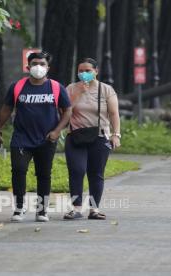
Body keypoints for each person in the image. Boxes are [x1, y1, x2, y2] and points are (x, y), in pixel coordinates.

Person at [0, 51, 72, 222]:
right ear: (28, 67)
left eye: (42, 64)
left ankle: (42, 210)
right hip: (21, 138)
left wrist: (57, 131)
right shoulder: (18, 87)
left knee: (44, 174)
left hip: (47, 139)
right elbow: (6, 110)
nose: (38, 67)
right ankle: (19, 208)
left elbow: (68, 111)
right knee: (19, 170)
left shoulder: (57, 88)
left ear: (48, 67)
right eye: (35, 64)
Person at [63, 58, 121, 220]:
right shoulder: (71, 88)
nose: (84, 74)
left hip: (100, 136)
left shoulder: (106, 90)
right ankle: (76, 208)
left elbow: (114, 114)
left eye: (88, 70)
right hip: (75, 136)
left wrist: (116, 134)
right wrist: (79, 93)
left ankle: (94, 209)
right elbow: (65, 111)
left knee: (96, 173)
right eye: (80, 71)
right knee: (76, 170)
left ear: (96, 71)